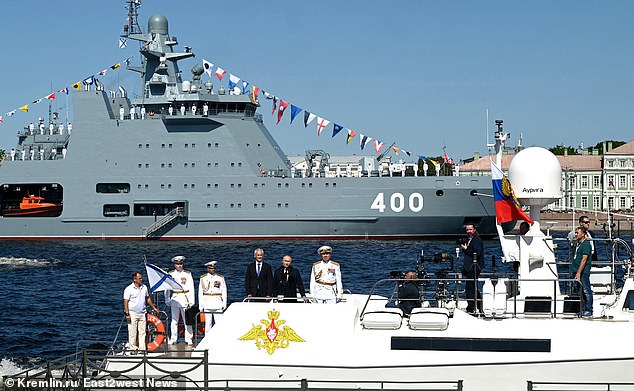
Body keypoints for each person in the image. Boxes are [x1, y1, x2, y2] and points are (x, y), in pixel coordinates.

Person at [123, 272, 159, 351]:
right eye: (139, 278)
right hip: (133, 313)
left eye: (141, 278)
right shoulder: (129, 289)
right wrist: (127, 314)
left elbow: (147, 298)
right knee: (133, 332)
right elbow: (125, 301)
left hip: (142, 313)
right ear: (135, 280)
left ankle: (142, 349)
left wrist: (153, 307)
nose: (141, 280)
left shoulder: (144, 287)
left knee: (142, 332)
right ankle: (132, 348)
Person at [166, 255, 195, 344]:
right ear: (174, 264)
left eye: (181, 264)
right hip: (174, 298)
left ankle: (188, 338)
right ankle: (173, 338)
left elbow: (191, 287)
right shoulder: (170, 274)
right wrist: (167, 299)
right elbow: (167, 288)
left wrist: (192, 300)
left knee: (187, 319)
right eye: (178, 264)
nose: (180, 265)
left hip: (184, 297)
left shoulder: (187, 274)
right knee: (174, 320)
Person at [461, 223, 484, 314]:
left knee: (470, 287)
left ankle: (471, 307)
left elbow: (476, 253)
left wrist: (466, 249)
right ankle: (477, 305)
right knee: (471, 287)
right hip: (469, 267)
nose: (468, 231)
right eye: (467, 230)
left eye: (470, 229)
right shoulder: (469, 239)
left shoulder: (477, 240)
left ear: (474, 230)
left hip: (474, 266)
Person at [198, 261, 227, 332]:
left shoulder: (220, 278)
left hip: (217, 303)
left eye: (214, 268)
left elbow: (224, 291)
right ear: (208, 269)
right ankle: (207, 340)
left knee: (219, 324)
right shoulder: (203, 278)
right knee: (208, 324)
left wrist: (224, 303)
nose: (213, 270)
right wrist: (201, 305)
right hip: (207, 303)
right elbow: (200, 292)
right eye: (211, 268)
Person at [572, 226, 593, 317]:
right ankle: (582, 308)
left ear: (583, 234)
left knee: (586, 290)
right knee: (579, 291)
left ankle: (589, 309)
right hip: (575, 270)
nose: (576, 234)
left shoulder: (586, 244)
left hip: (583, 272)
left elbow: (584, 260)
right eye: (576, 233)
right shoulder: (578, 244)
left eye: (578, 233)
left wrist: (579, 272)